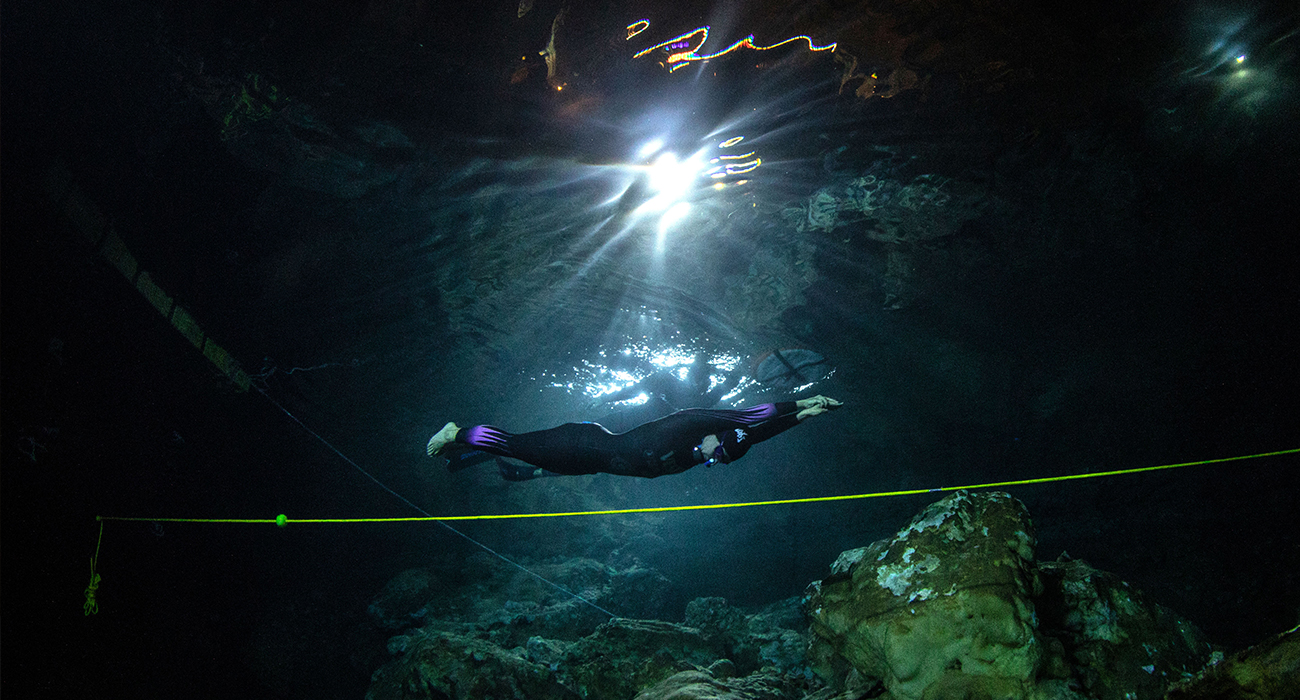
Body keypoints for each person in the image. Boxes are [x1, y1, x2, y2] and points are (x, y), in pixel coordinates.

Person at [426, 395, 841, 480]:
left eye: (720, 462)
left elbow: (756, 433)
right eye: (718, 453)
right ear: (716, 435)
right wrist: (801, 400)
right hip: (582, 445)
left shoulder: (709, 449)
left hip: (590, 463)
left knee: (538, 463)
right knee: (513, 444)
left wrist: (804, 417)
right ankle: (456, 431)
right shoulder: (689, 425)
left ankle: (468, 450)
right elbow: (751, 415)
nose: (712, 459)